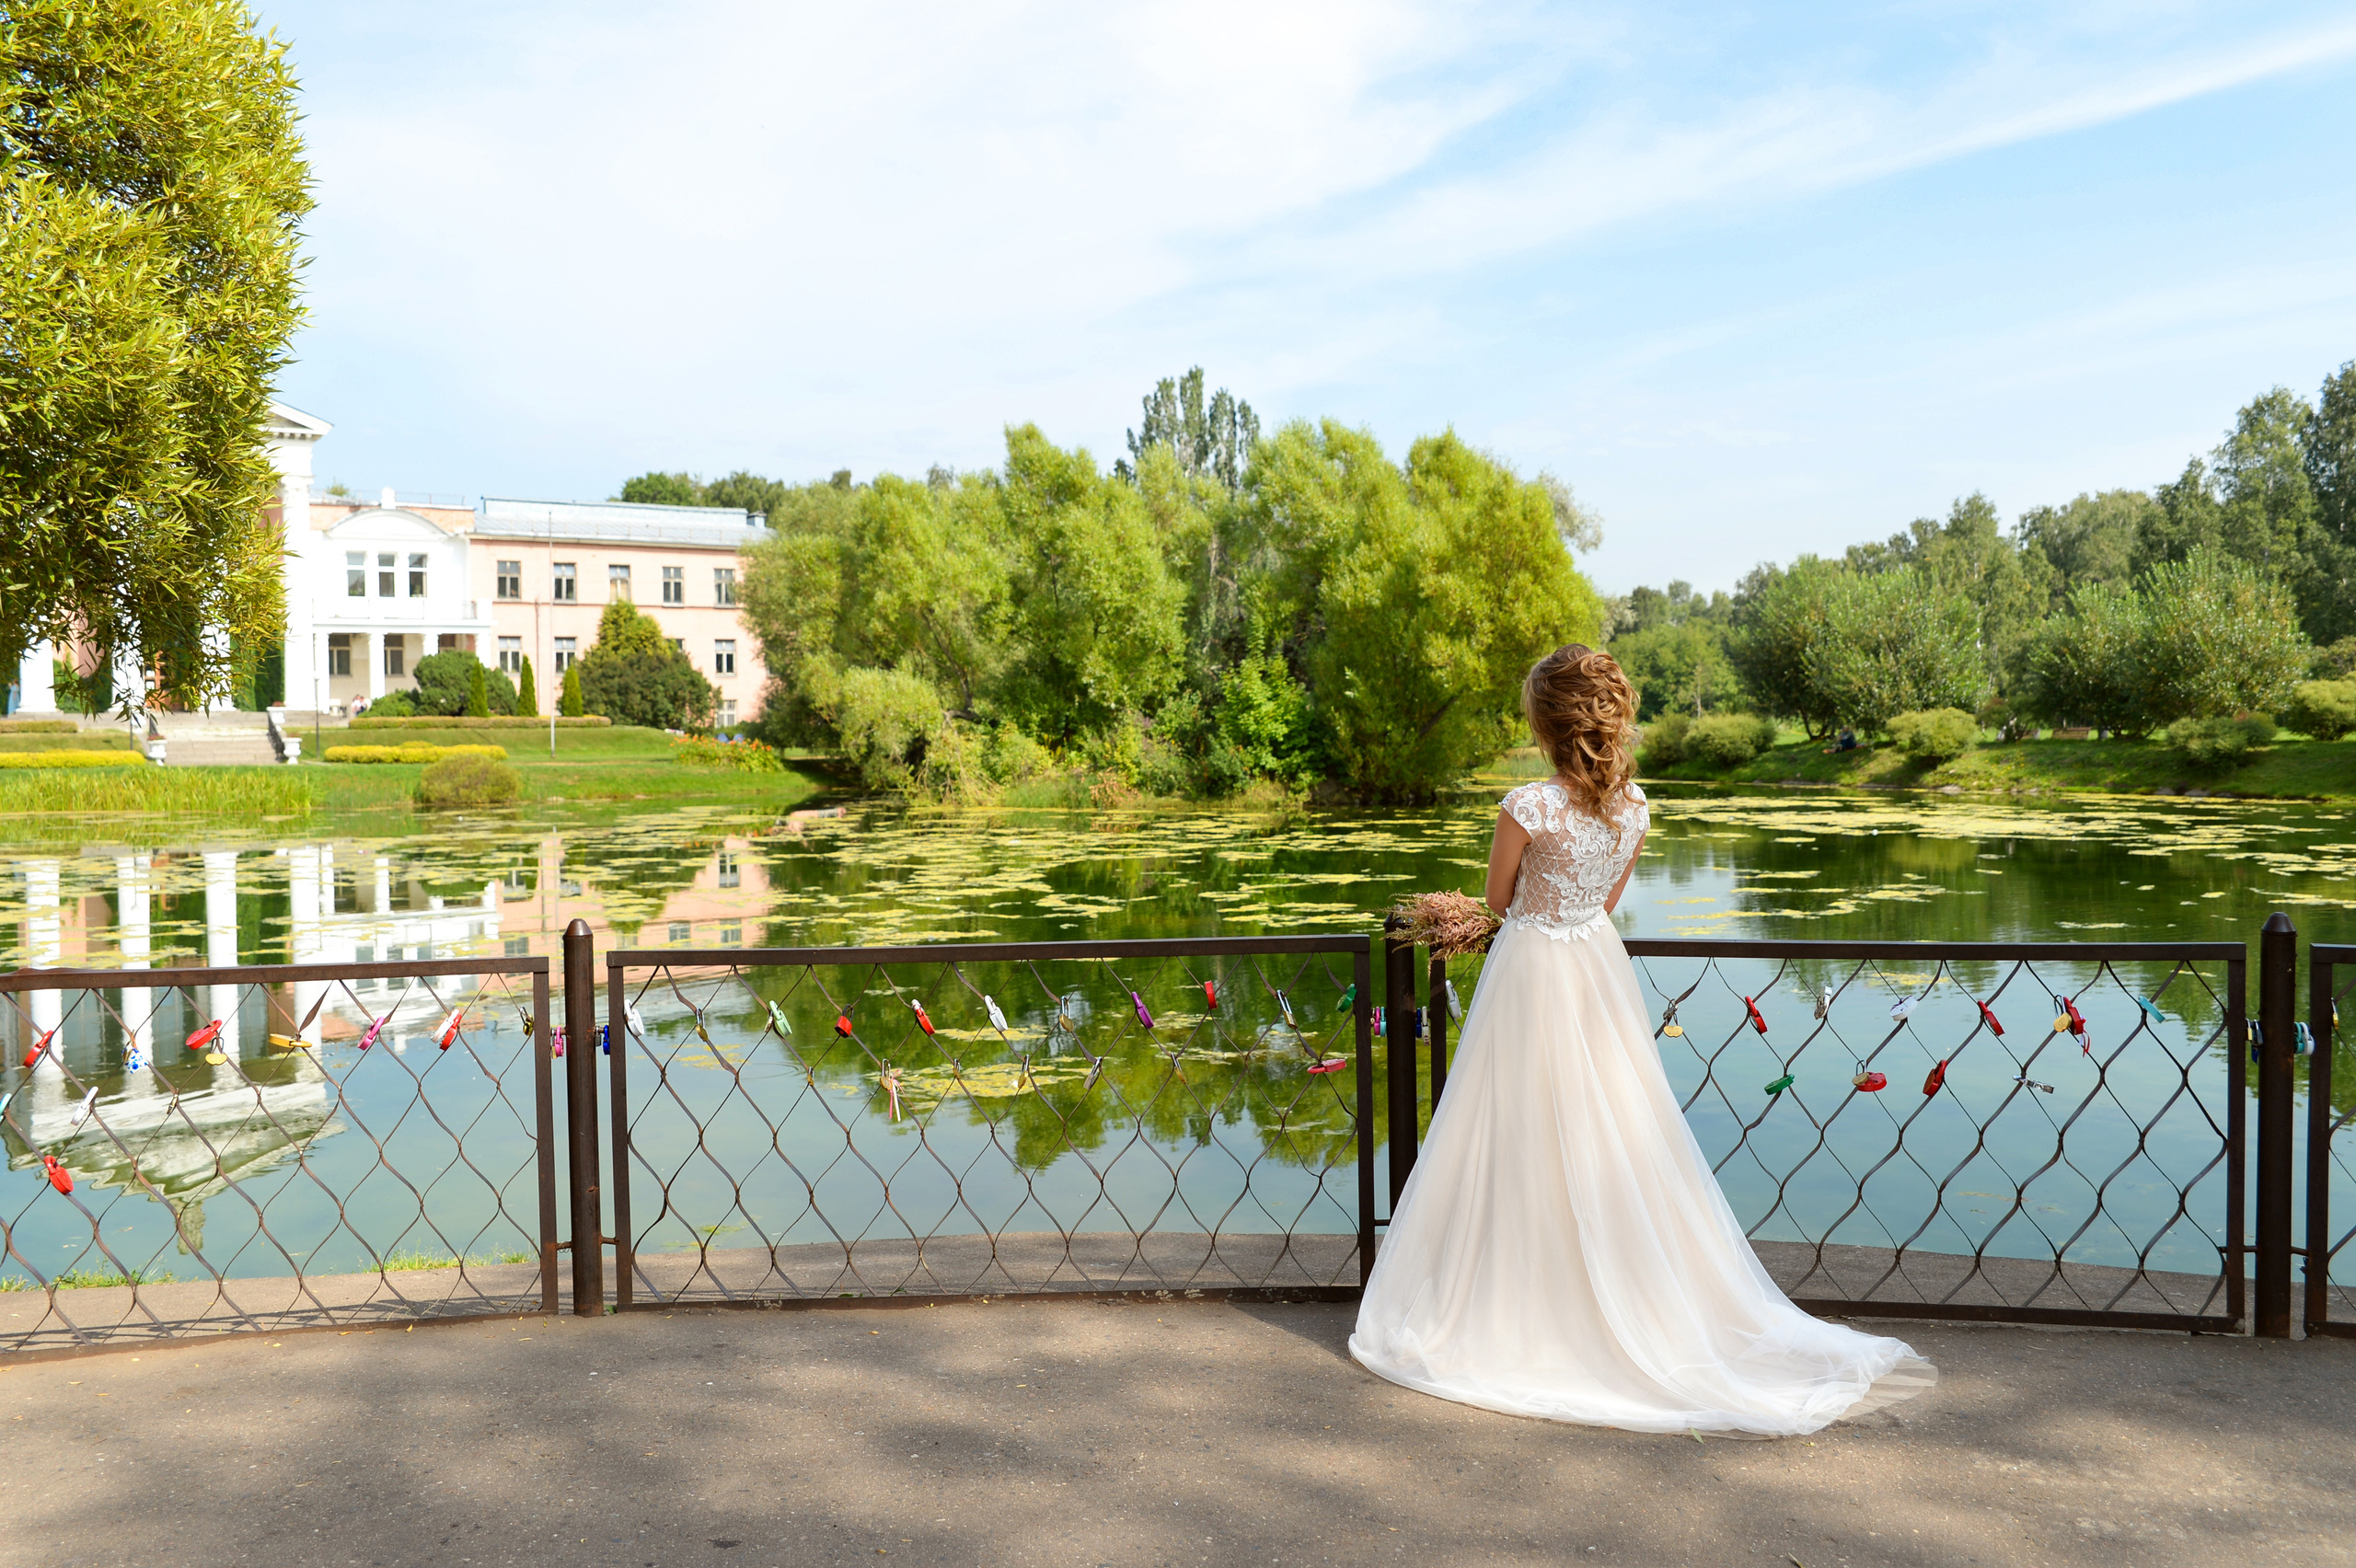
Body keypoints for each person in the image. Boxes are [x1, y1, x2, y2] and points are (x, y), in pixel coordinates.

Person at [1349, 645, 1934, 1435]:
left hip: (1531, 971)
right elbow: (1610, 897)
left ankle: (1521, 1296)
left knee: (1517, 1127)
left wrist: (1472, 914)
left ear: (1546, 724)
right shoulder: (1635, 807)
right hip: (1595, 965)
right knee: (1613, 1123)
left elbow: (1497, 899)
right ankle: (1619, 1286)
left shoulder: (1526, 804)